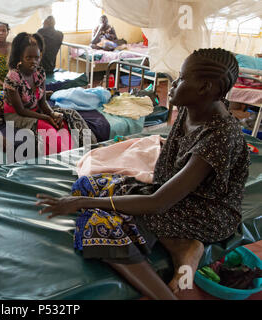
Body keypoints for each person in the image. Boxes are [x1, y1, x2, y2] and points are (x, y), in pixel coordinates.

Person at [36, 48, 249, 299]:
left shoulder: (220, 136)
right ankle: (183, 246)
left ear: (204, 88)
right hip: (171, 194)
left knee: (100, 228)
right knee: (92, 185)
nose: (173, 84)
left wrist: (81, 204)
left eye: (181, 79)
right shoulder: (196, 107)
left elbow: (157, 203)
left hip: (206, 213)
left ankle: (166, 295)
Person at [3, 32, 96, 156]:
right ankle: (61, 162)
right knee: (49, 131)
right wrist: (47, 118)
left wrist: (52, 113)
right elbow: (20, 110)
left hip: (36, 110)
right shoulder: (13, 77)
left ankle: (81, 155)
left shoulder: (39, 73)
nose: (33, 62)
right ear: (20, 57)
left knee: (63, 123)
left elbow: (42, 102)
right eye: (28, 58)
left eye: (36, 57)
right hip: (17, 115)